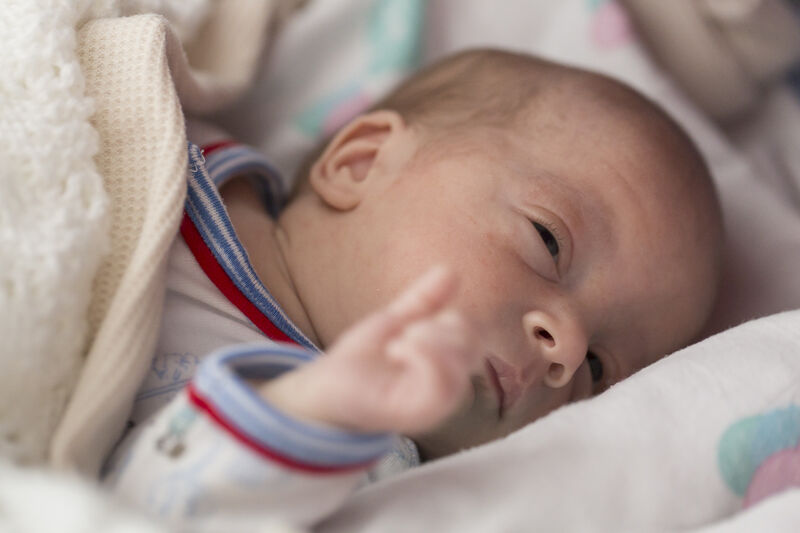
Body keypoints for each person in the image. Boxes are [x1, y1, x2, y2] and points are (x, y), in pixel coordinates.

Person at [103, 49, 723, 529]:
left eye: (597, 368)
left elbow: (126, 511)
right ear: (362, 161)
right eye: (548, 240)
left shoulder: (372, 475)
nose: (567, 347)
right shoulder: (149, 123)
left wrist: (318, 413)